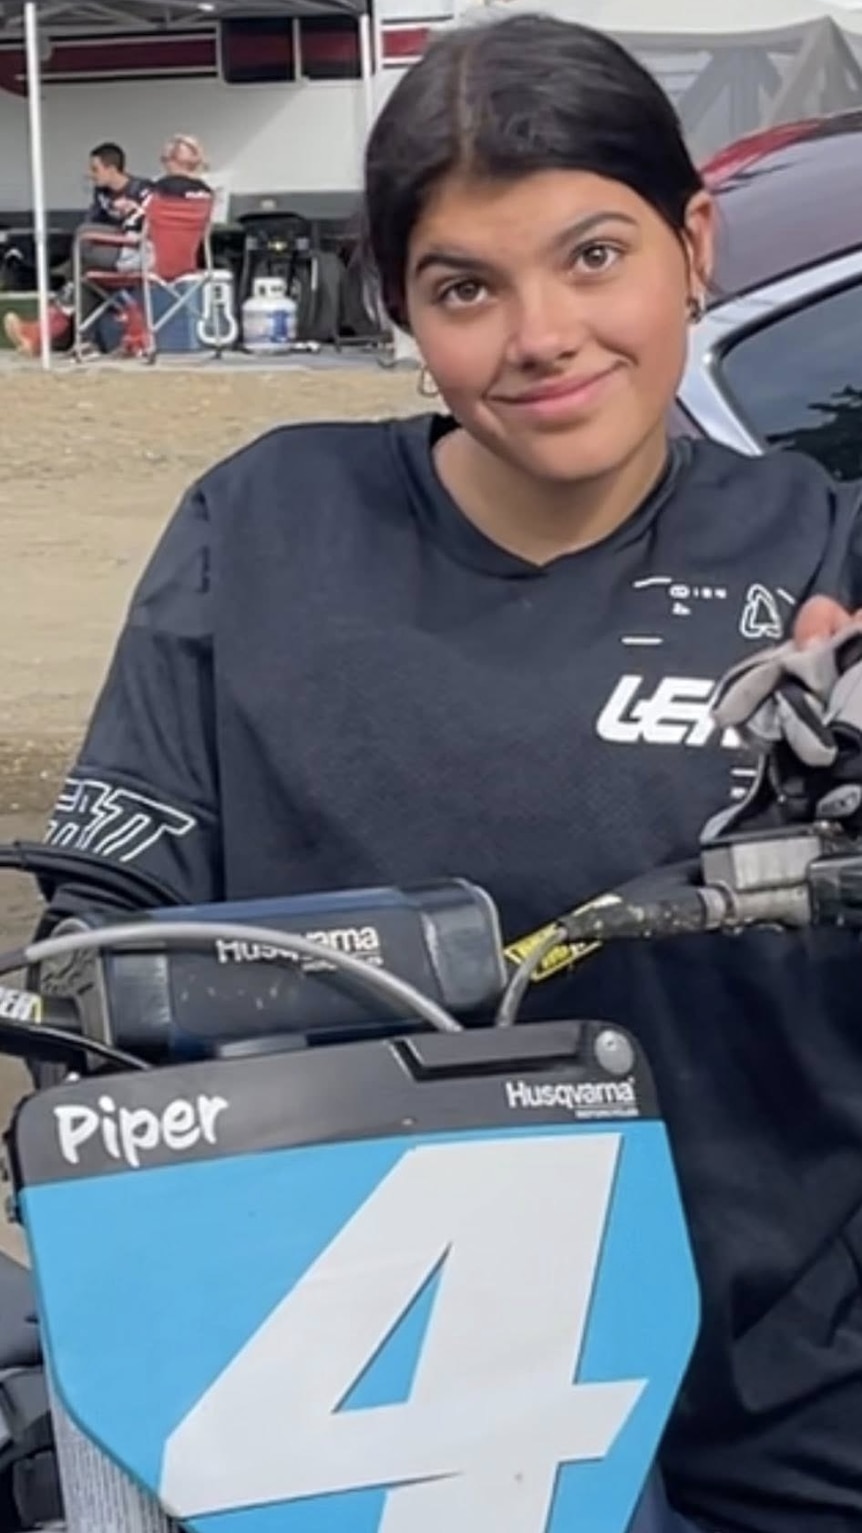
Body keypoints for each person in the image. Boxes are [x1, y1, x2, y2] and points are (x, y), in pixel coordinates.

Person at [39, 14, 862, 1533]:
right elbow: (92, 941)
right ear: (404, 306)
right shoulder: (266, 527)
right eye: (465, 286)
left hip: (783, 1398)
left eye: (593, 256)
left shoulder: (823, 549)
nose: (539, 332)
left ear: (693, 244)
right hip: (355, 1405)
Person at [3, 134, 209, 358]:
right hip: (183, 264)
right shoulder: (206, 194)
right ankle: (70, 338)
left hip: (144, 259)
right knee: (87, 271)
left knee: (84, 240)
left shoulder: (158, 190)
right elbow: (201, 234)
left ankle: (56, 334)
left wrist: (129, 210)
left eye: (164, 159)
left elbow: (140, 224)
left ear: (173, 160)